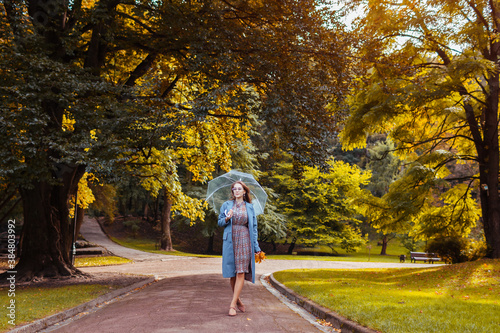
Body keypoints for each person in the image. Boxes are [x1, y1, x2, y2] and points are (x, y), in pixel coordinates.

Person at [218, 181, 262, 316]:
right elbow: (219, 222)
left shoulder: (250, 207)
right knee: (232, 272)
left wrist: (256, 247)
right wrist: (227, 218)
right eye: (234, 189)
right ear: (232, 192)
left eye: (239, 189)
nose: (236, 191)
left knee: (240, 272)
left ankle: (232, 305)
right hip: (230, 241)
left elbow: (253, 228)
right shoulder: (226, 205)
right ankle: (238, 301)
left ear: (244, 192)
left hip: (244, 240)